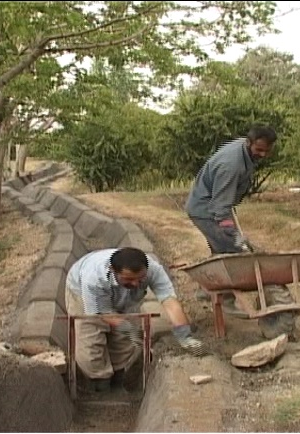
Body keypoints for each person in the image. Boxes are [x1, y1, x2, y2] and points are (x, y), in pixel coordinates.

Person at [65, 247, 207, 392]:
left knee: (125, 340)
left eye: (140, 279)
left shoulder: (153, 270)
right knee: (90, 342)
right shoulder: (94, 278)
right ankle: (99, 384)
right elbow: (103, 313)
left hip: (122, 296)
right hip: (81, 292)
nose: (135, 284)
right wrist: (130, 330)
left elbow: (170, 301)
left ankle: (117, 380)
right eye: (129, 279)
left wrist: (185, 336)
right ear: (113, 270)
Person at [184, 125, 278, 309]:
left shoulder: (245, 152)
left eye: (267, 151)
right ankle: (223, 299)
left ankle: (208, 289)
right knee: (232, 253)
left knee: (226, 247)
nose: (263, 155)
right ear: (248, 143)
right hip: (205, 210)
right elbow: (219, 207)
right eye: (259, 150)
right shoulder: (230, 165)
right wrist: (232, 233)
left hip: (216, 204)